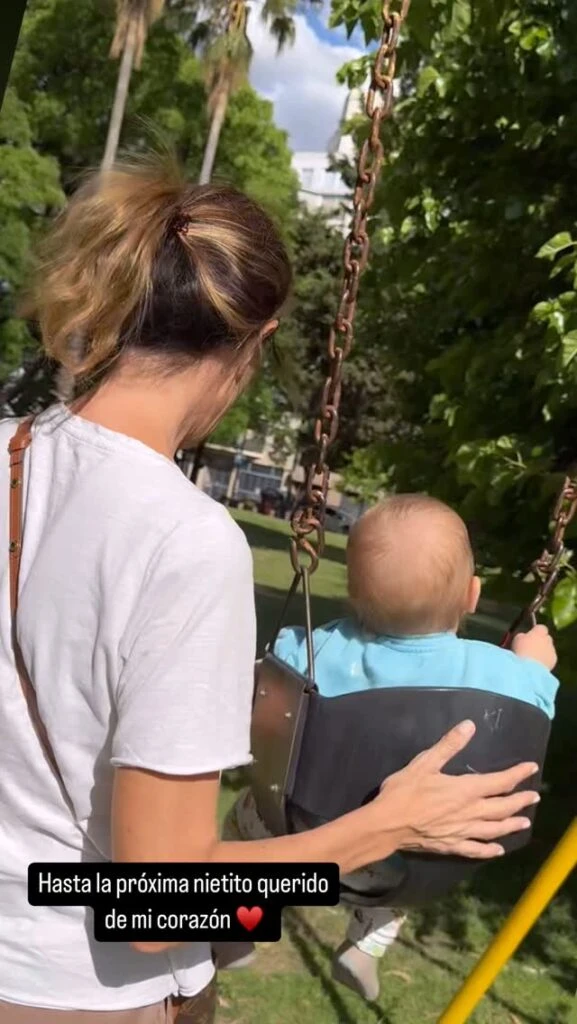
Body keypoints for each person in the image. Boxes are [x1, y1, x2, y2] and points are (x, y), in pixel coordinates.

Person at [0, 155, 540, 1024]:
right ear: (254, 341)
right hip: (72, 991)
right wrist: (385, 827)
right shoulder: (183, 540)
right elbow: (152, 902)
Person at [218, 495, 558, 1001]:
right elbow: (535, 695)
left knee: (243, 821)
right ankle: (366, 944)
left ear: (353, 592)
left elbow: (276, 668)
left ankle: (237, 928)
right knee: (407, 865)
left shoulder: (319, 645)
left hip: (298, 826)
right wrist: (533, 660)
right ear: (472, 595)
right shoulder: (499, 673)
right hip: (406, 859)